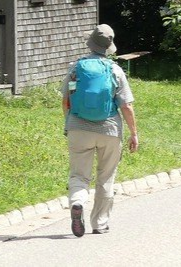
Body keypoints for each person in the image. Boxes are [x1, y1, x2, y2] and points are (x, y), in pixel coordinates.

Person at [61, 24, 139, 237]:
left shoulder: (76, 68)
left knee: (79, 174)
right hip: (109, 130)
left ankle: (77, 202)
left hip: (78, 128)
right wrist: (134, 133)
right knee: (106, 177)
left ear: (90, 43)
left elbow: (66, 100)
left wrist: (69, 123)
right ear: (108, 47)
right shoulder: (115, 70)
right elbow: (126, 106)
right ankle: (100, 223)